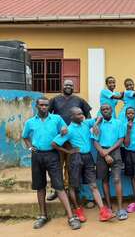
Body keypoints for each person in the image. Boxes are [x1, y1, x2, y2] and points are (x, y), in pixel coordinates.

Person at [22, 97, 81, 230]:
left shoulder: (56, 118)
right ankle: (43, 216)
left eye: (46, 105)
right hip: (37, 156)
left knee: (59, 185)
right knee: (40, 186)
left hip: (53, 155)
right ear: (36, 106)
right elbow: (25, 136)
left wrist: (64, 129)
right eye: (41, 105)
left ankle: (71, 217)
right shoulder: (30, 122)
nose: (44, 107)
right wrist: (30, 147)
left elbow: (65, 128)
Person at [51, 107, 114, 222]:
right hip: (75, 158)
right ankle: (77, 209)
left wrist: (95, 124)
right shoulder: (68, 130)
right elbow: (54, 143)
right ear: (72, 117)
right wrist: (68, 152)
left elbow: (99, 116)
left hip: (88, 157)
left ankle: (103, 211)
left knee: (93, 185)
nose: (82, 116)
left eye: (82, 114)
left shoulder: (86, 123)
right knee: (73, 186)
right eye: (79, 114)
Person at [47, 79, 92, 202]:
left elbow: (87, 115)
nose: (68, 86)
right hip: (61, 139)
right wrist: (57, 128)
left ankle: (71, 190)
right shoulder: (54, 100)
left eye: (71, 85)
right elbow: (48, 116)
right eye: (66, 84)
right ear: (62, 86)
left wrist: (89, 128)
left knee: (71, 166)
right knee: (57, 166)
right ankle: (56, 190)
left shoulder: (79, 100)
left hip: (75, 141)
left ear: (74, 87)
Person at [93, 104, 127, 220]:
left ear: (111, 110)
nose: (105, 111)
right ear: (101, 112)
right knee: (105, 180)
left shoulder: (118, 123)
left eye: (107, 109)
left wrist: (108, 151)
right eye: (103, 109)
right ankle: (109, 206)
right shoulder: (98, 125)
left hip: (115, 151)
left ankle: (120, 208)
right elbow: (95, 142)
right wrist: (104, 152)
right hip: (101, 152)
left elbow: (121, 139)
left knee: (117, 179)